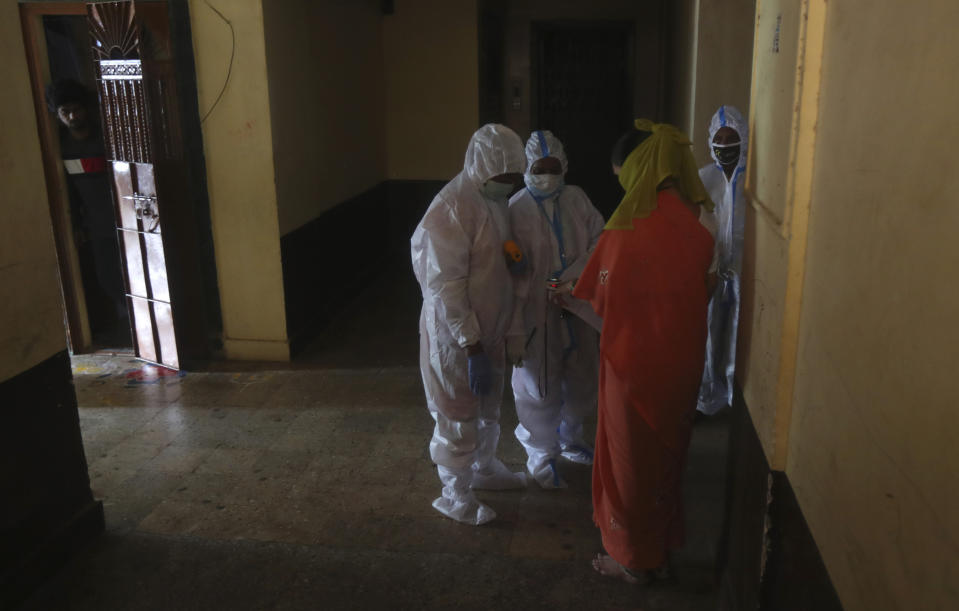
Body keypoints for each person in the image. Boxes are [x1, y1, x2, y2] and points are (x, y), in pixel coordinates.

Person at [568, 120, 717, 582]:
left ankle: (632, 559)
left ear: (636, 170)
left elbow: (599, 299)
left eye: (622, 176)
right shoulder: (700, 221)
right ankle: (659, 548)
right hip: (683, 365)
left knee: (629, 467)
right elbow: (704, 288)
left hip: (632, 369)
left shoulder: (625, 230)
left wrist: (567, 295)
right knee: (666, 462)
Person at [411, 124, 529, 526]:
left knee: (489, 405)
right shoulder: (451, 208)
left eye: (516, 176)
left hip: (489, 329)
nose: (511, 184)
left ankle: (485, 467)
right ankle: (455, 494)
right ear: (483, 168)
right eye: (505, 176)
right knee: (457, 413)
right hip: (456, 338)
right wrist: (471, 343)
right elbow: (445, 287)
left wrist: (513, 260)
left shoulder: (491, 200)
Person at [506, 130, 604, 489]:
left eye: (552, 168)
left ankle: (571, 436)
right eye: (538, 168)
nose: (546, 175)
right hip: (536, 313)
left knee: (582, 375)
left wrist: (574, 277)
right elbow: (509, 261)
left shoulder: (577, 200)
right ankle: (540, 452)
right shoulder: (516, 208)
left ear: (563, 167)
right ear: (526, 168)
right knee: (538, 384)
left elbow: (600, 239)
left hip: (577, 305)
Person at [46, 78, 126, 335]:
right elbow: (67, 191)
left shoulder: (107, 138)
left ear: (86, 109)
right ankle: (126, 319)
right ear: (58, 115)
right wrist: (77, 224)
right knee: (107, 276)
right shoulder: (61, 147)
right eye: (65, 111)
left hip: (126, 217)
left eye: (76, 109)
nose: (72, 115)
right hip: (97, 223)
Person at [696, 105, 748, 415]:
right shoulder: (703, 179)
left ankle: (733, 399)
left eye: (732, 138)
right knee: (708, 335)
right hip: (710, 271)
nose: (726, 145)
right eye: (720, 138)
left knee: (738, 335)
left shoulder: (757, 180)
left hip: (744, 272)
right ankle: (704, 400)